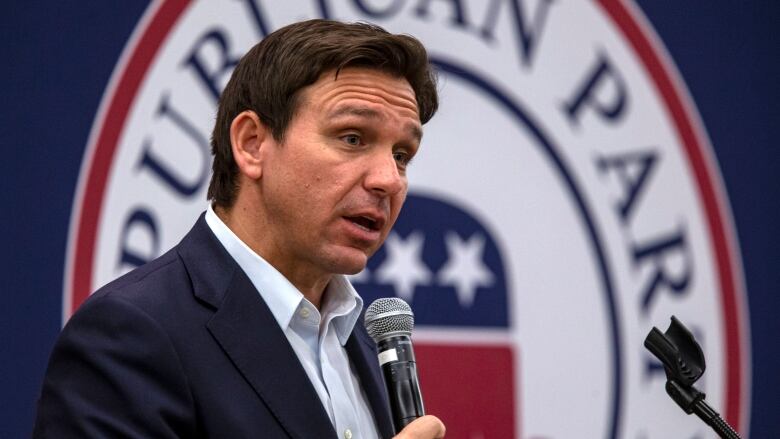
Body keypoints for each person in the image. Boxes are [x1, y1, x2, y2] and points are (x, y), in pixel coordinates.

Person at [33, 19, 445, 438]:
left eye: (402, 154)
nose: (388, 179)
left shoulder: (360, 337)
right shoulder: (130, 335)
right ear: (251, 143)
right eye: (352, 138)